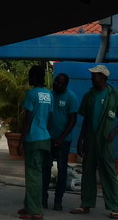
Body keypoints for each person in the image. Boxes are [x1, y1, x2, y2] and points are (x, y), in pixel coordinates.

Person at [71, 65, 118, 219]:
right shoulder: (89, 96)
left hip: (105, 140)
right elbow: (85, 120)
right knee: (88, 171)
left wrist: (114, 133)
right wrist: (81, 140)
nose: (92, 78)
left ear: (102, 77)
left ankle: (114, 207)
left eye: (94, 76)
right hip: (90, 139)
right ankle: (86, 204)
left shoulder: (115, 95)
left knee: (108, 173)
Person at [18, 65, 54, 220]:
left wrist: (21, 140)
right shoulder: (49, 95)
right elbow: (50, 118)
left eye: (30, 75)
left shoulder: (31, 94)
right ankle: (28, 206)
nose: (28, 78)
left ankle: (35, 211)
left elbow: (27, 119)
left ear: (34, 77)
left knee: (32, 176)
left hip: (32, 138)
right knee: (37, 174)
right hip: (45, 138)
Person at [44, 73, 79, 211]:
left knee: (62, 170)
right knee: (45, 168)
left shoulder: (71, 98)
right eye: (56, 82)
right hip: (49, 138)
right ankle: (43, 199)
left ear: (65, 85)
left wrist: (61, 138)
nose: (56, 84)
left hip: (63, 141)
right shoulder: (50, 96)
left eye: (60, 83)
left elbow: (73, 120)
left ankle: (58, 201)